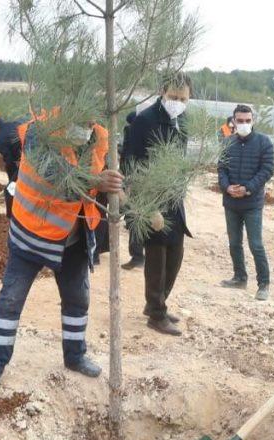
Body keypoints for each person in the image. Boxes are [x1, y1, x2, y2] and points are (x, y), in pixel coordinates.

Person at [0, 110, 124, 392]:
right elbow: (56, 176)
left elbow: (107, 179)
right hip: (31, 232)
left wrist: (118, 189)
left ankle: (75, 355)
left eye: (91, 119)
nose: (88, 125)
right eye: (83, 117)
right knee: (11, 299)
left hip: (74, 236)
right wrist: (96, 182)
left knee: (77, 299)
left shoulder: (102, 136)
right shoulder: (39, 131)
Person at [122, 73, 193, 336]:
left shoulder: (182, 120)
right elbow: (131, 165)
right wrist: (146, 206)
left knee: (176, 253)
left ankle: (156, 303)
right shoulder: (145, 121)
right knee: (156, 258)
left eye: (183, 98)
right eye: (173, 97)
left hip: (174, 198)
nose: (177, 102)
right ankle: (156, 313)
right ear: (162, 93)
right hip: (150, 199)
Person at [218, 104, 274, 301]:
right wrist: (227, 187)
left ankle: (264, 283)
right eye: (240, 121)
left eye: (247, 121)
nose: (243, 124)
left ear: (253, 121)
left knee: (256, 244)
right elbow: (221, 169)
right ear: (233, 121)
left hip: (252, 203)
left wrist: (247, 188)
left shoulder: (264, 143)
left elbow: (267, 170)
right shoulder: (227, 143)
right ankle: (239, 277)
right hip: (231, 203)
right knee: (234, 243)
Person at [121, 109, 147, 271]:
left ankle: (138, 256)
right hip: (133, 177)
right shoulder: (138, 128)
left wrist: (128, 181)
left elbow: (130, 156)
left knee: (134, 218)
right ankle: (138, 255)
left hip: (136, 180)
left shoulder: (134, 130)